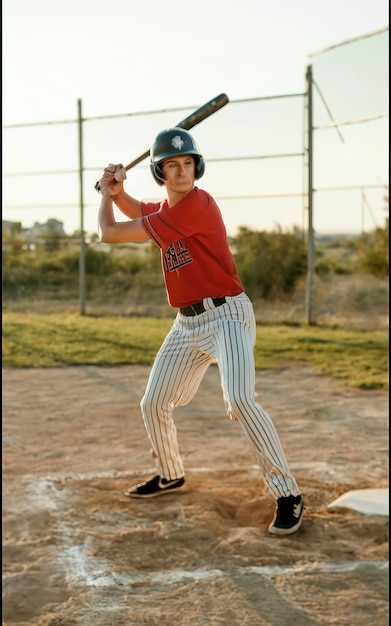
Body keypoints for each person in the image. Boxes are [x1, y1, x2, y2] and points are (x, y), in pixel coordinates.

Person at [96, 127, 304, 536]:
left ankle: (287, 494)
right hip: (187, 324)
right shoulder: (167, 210)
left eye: (187, 163)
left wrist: (105, 194)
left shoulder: (197, 206)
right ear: (160, 172)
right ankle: (170, 474)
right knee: (153, 402)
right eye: (171, 166)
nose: (180, 173)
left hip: (228, 315)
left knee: (240, 400)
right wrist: (118, 192)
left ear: (197, 167)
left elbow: (109, 233)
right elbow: (139, 210)